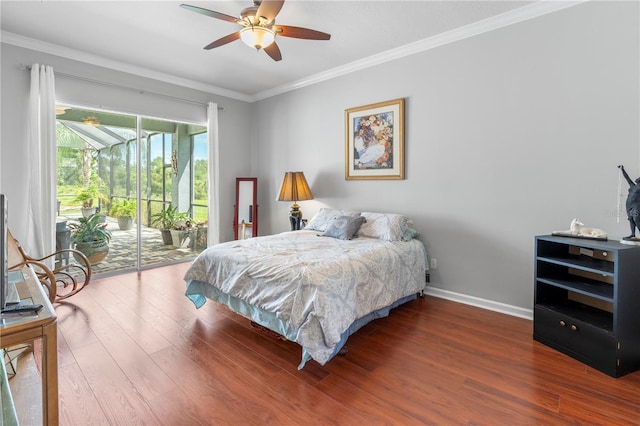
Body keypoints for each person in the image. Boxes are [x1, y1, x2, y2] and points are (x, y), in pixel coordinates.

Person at [618, 165, 640, 239]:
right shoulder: (632, 185)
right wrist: (622, 170)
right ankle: (633, 234)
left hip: (636, 205)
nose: (636, 179)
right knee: (631, 219)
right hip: (628, 204)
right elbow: (627, 177)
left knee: (636, 218)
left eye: (638, 178)